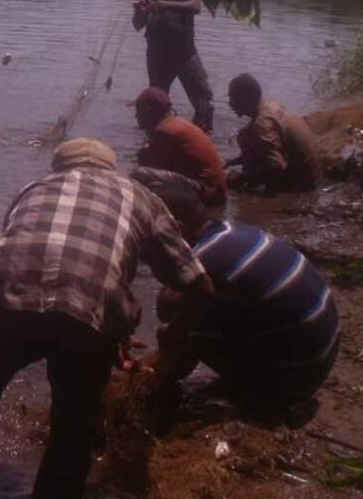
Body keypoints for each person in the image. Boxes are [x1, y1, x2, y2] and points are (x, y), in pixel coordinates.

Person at [0, 138, 213, 499]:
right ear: (112, 169)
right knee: (72, 422)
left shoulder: (33, 189)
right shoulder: (140, 195)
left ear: (58, 169)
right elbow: (198, 284)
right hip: (87, 310)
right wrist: (174, 332)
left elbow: (20, 252)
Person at [131, 169, 339, 407]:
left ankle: (254, 397)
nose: (144, 257)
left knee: (175, 309)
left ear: (176, 231)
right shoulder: (231, 232)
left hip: (291, 384)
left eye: (146, 246)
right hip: (315, 361)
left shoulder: (207, 271)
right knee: (178, 305)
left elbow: (178, 365)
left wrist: (151, 368)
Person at [133, 0, 215, 133]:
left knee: (204, 101)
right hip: (158, 55)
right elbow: (137, 25)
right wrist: (143, 12)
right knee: (155, 104)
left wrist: (165, 5)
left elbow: (195, 6)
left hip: (185, 54)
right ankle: (154, 139)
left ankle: (203, 136)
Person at [133, 86, 227, 211]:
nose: (135, 116)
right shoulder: (174, 123)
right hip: (214, 191)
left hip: (207, 194)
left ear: (148, 110)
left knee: (140, 174)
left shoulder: (163, 131)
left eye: (138, 110)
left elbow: (155, 168)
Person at [225, 73, 322, 192]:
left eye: (232, 97)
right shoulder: (270, 105)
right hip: (314, 173)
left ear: (244, 97)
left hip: (303, 184)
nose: (229, 103)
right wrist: (231, 162)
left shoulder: (261, 123)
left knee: (246, 138)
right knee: (245, 134)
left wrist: (242, 177)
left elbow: (276, 166)